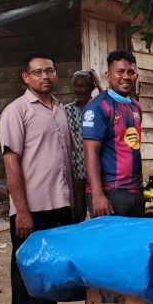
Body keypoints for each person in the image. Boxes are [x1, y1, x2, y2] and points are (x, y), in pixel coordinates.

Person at [0, 54, 77, 304]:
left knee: (51, 269)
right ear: (26, 77)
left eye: (49, 70)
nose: (45, 76)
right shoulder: (16, 111)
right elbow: (11, 162)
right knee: (25, 270)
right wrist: (22, 210)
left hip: (60, 204)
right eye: (37, 72)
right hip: (32, 207)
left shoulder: (60, 110)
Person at [82, 50, 145, 218]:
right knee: (110, 243)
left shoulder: (135, 106)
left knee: (134, 243)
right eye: (120, 72)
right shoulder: (98, 107)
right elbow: (90, 152)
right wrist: (97, 194)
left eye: (131, 72)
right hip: (110, 192)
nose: (126, 76)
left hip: (136, 191)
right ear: (108, 76)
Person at [64, 70, 101, 222]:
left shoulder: (99, 108)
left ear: (91, 87)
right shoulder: (65, 110)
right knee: (76, 216)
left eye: (83, 86)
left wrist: (100, 85)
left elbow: (111, 101)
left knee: (97, 214)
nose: (78, 90)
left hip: (95, 171)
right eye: (76, 86)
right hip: (74, 172)